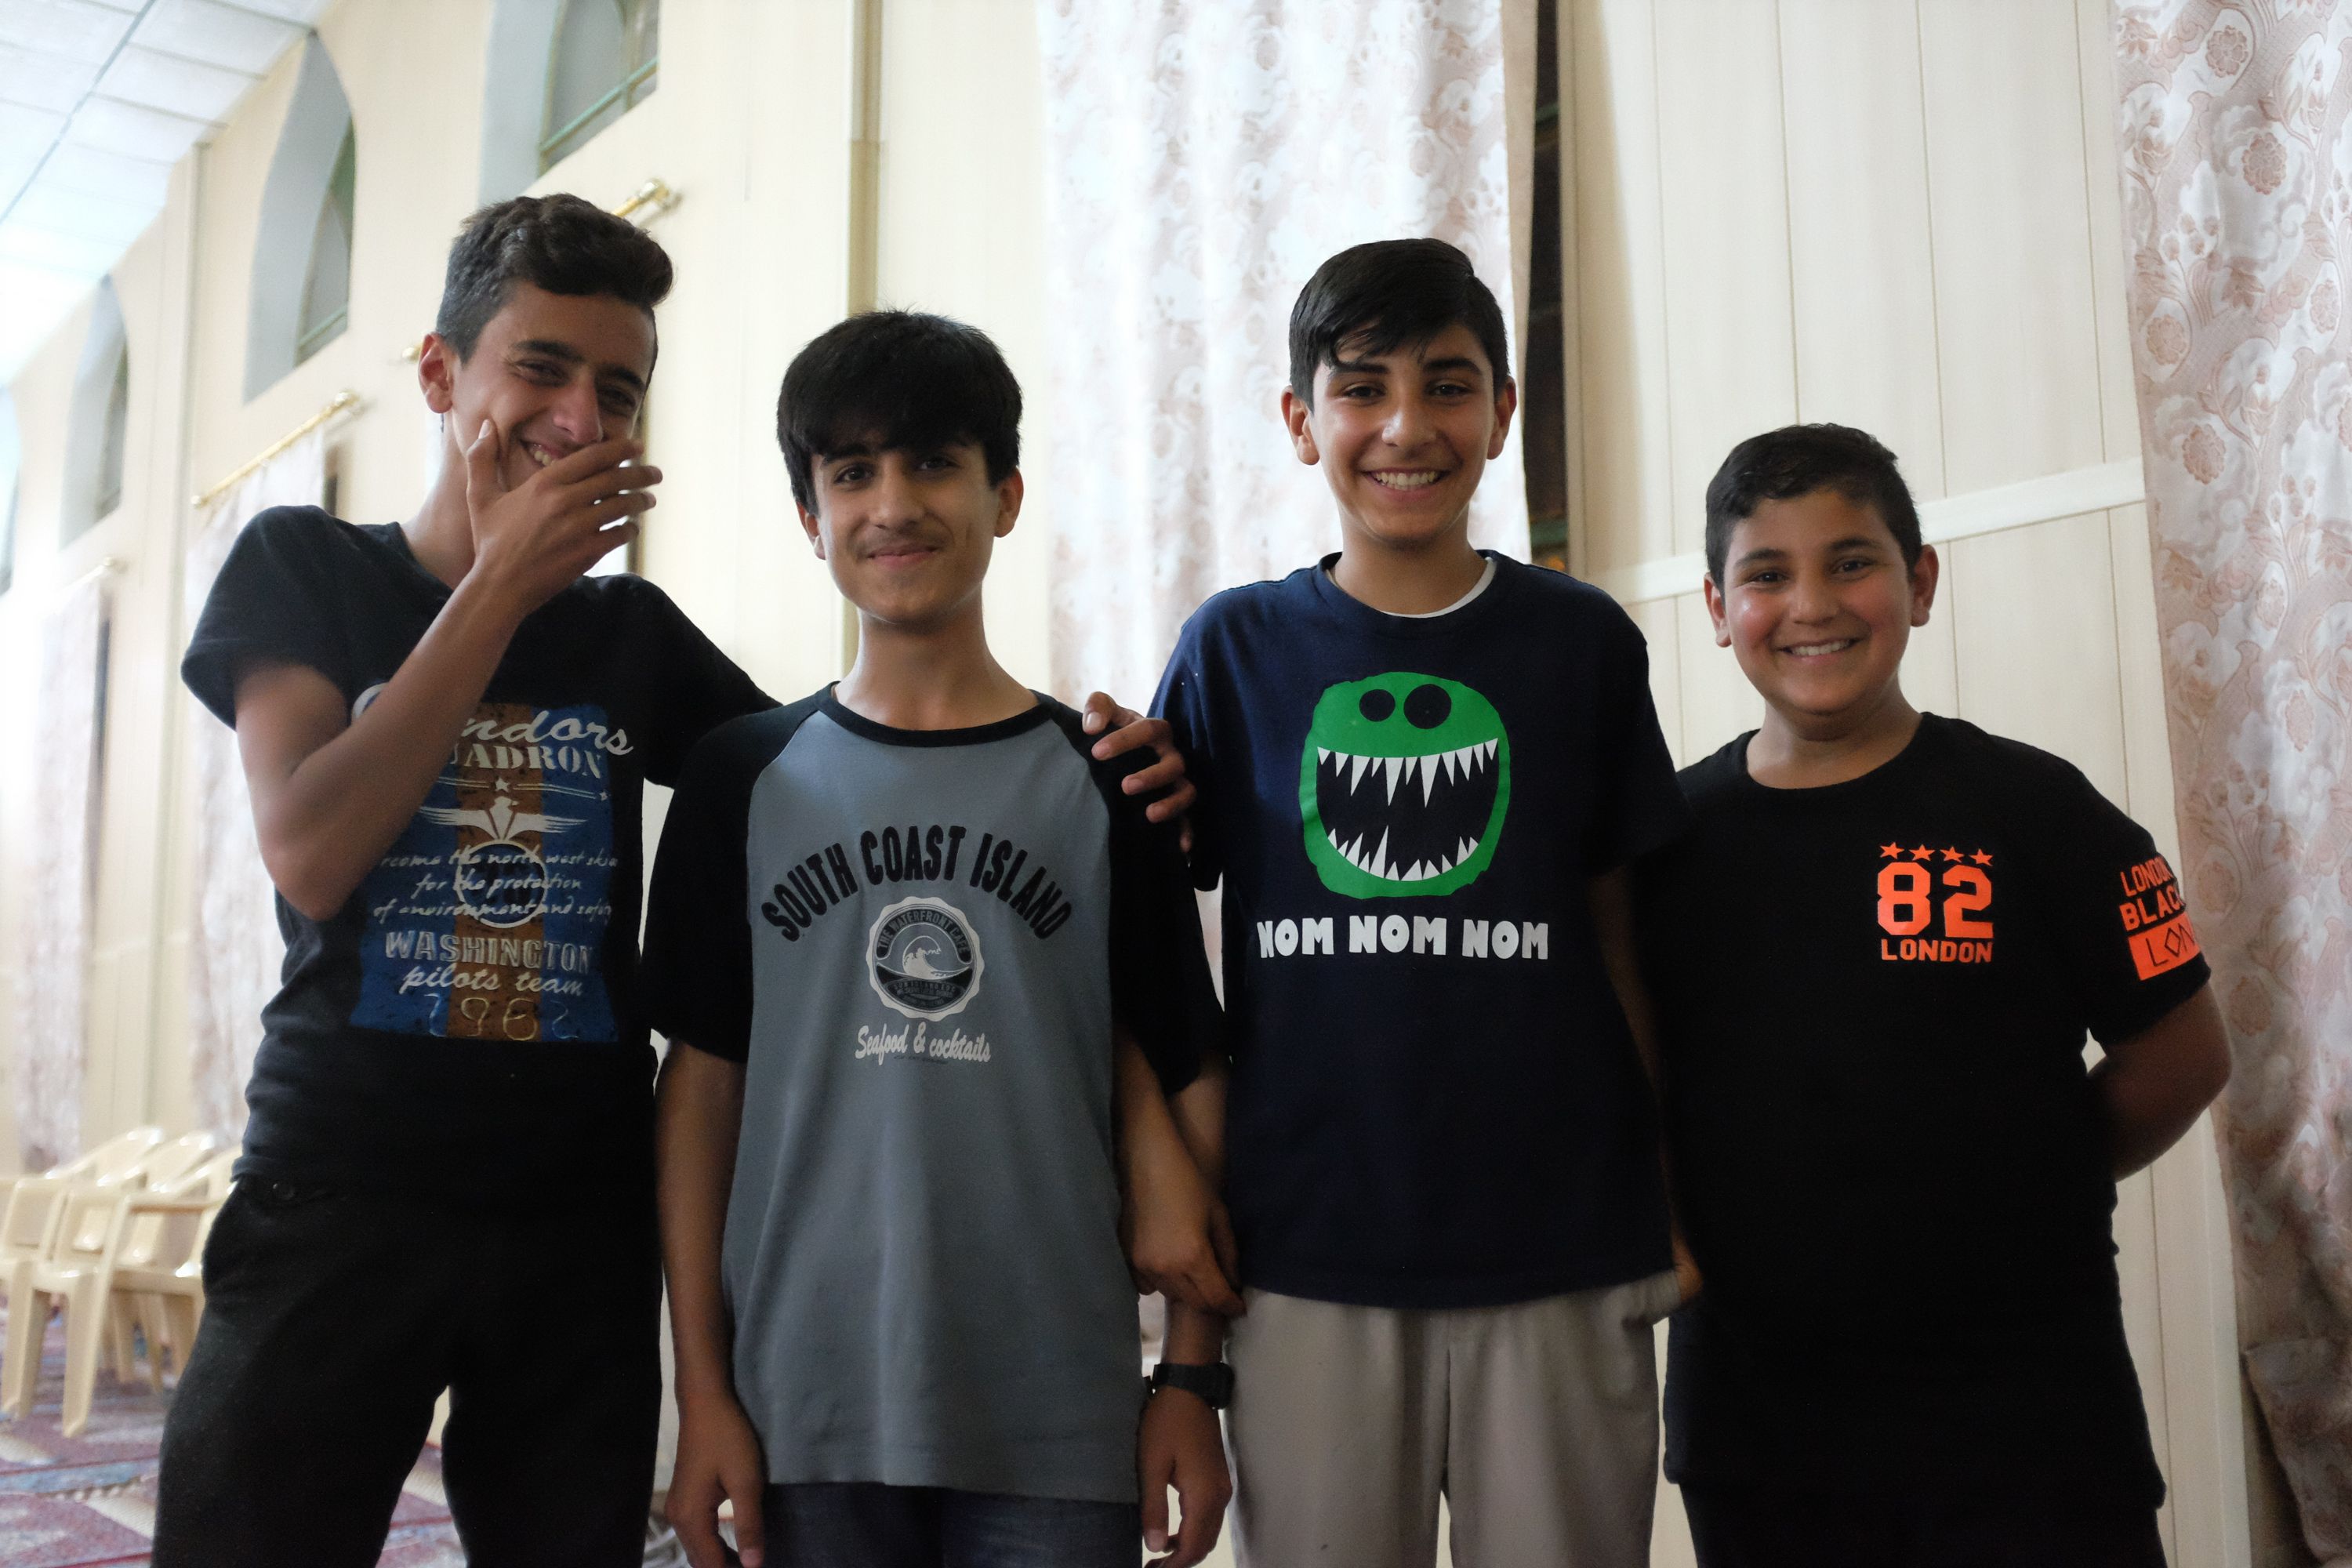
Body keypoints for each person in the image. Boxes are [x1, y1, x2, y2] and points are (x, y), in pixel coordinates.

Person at [161, 197, 1185, 1568]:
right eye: (540, 369)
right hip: (341, 1193)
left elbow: (851, 774)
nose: (582, 419)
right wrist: (499, 592)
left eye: (619, 389)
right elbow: (312, 848)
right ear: (439, 375)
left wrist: (1114, 765)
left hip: (577, 1229)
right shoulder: (304, 567)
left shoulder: (629, 637)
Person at [649, 310, 1233, 1568]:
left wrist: (1191, 1381)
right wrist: (701, 1390)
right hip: (801, 1410)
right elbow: (701, 1097)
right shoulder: (741, 782)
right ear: (810, 518)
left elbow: (1192, 1082)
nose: (892, 504)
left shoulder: (1110, 778)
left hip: (1058, 1419)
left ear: (1005, 495)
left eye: (932, 464)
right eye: (850, 473)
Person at [1150, 238, 1693, 1568]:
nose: (1406, 426)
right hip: (1308, 1252)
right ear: (1301, 421)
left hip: (1562, 1247)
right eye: (1362, 388)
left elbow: (1629, 941)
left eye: (1449, 386)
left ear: (1504, 411)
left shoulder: (1582, 644)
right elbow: (1159, 967)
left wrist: (1674, 1193)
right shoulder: (1235, 649)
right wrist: (1186, 1339)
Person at [1636, 423, 2231, 1568]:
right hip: (1762, 1439)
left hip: (2034, 1428)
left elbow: (2185, 1056)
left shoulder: (2037, 812)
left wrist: (2019, 1171)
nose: (1812, 603)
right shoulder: (1666, 848)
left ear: (1919, 583)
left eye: (1850, 561)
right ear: (1716, 608)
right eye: (1767, 574)